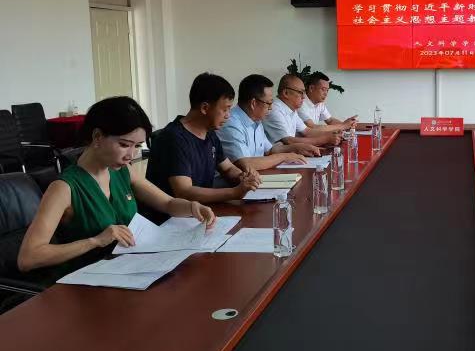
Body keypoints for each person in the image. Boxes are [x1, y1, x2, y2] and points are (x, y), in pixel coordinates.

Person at [17, 97, 215, 278]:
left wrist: (192, 207)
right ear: (97, 136)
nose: (131, 155)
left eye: (137, 146)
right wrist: (95, 241)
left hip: (128, 272)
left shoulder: (122, 171)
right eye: (124, 145)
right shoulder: (64, 188)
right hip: (86, 283)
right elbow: (28, 257)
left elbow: (168, 203)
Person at [146, 73, 261, 205]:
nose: (228, 116)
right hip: (173, 215)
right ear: (205, 108)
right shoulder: (173, 138)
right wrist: (234, 192)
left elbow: (228, 168)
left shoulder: (209, 133)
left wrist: (243, 177)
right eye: (225, 110)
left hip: (200, 210)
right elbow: (184, 192)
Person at [218, 74, 320, 171]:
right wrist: (284, 156)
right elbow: (245, 164)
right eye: (269, 103)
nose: (271, 108)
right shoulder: (230, 123)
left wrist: (296, 148)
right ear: (253, 103)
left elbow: (270, 150)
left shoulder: (256, 120)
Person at [263, 74, 342, 147]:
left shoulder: (291, 109)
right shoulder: (274, 109)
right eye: (300, 92)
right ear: (286, 93)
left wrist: (332, 134)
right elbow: (289, 141)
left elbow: (307, 131)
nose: (304, 97)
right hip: (276, 155)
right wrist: (325, 139)